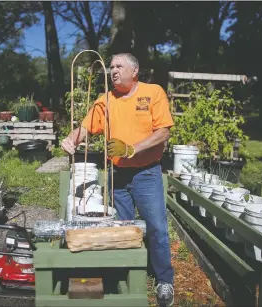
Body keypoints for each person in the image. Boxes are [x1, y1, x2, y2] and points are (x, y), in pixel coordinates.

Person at [61, 53, 175, 306]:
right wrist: (71, 139)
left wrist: (131, 149)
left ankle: (164, 279)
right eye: (110, 66)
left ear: (134, 71)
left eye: (118, 66)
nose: (112, 70)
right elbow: (85, 128)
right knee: (122, 227)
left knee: (156, 227)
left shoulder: (153, 92)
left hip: (147, 172)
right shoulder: (106, 99)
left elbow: (163, 131)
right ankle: (126, 272)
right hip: (117, 175)